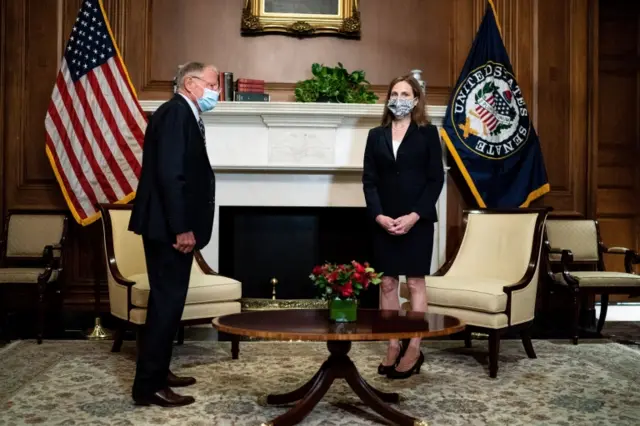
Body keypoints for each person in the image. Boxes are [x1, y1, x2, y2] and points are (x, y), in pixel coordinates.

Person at [128, 61, 219, 407]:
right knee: (166, 305)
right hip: (168, 229)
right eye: (212, 83)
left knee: (167, 304)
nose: (216, 91)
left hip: (169, 226)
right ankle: (148, 386)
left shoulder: (183, 113)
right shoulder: (175, 113)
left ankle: (158, 371)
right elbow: (171, 175)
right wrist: (182, 227)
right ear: (192, 83)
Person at [362, 75, 445, 379]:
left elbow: (436, 179)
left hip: (417, 222)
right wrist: (378, 216)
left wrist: (414, 216)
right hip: (384, 222)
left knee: (415, 284)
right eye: (394, 92)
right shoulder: (375, 135)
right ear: (388, 99)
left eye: (405, 93)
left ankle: (414, 347)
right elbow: (369, 180)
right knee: (386, 284)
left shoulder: (428, 133)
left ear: (416, 99)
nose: (399, 98)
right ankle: (393, 344)